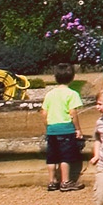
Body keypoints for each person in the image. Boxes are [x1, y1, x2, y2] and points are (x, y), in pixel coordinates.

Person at [43, 64, 85, 192]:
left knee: (52, 157)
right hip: (66, 129)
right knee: (65, 157)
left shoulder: (50, 94)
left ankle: (52, 181)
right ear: (72, 77)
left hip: (52, 129)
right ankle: (65, 181)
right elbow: (73, 113)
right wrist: (78, 129)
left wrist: (48, 126)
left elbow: (44, 113)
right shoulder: (72, 94)